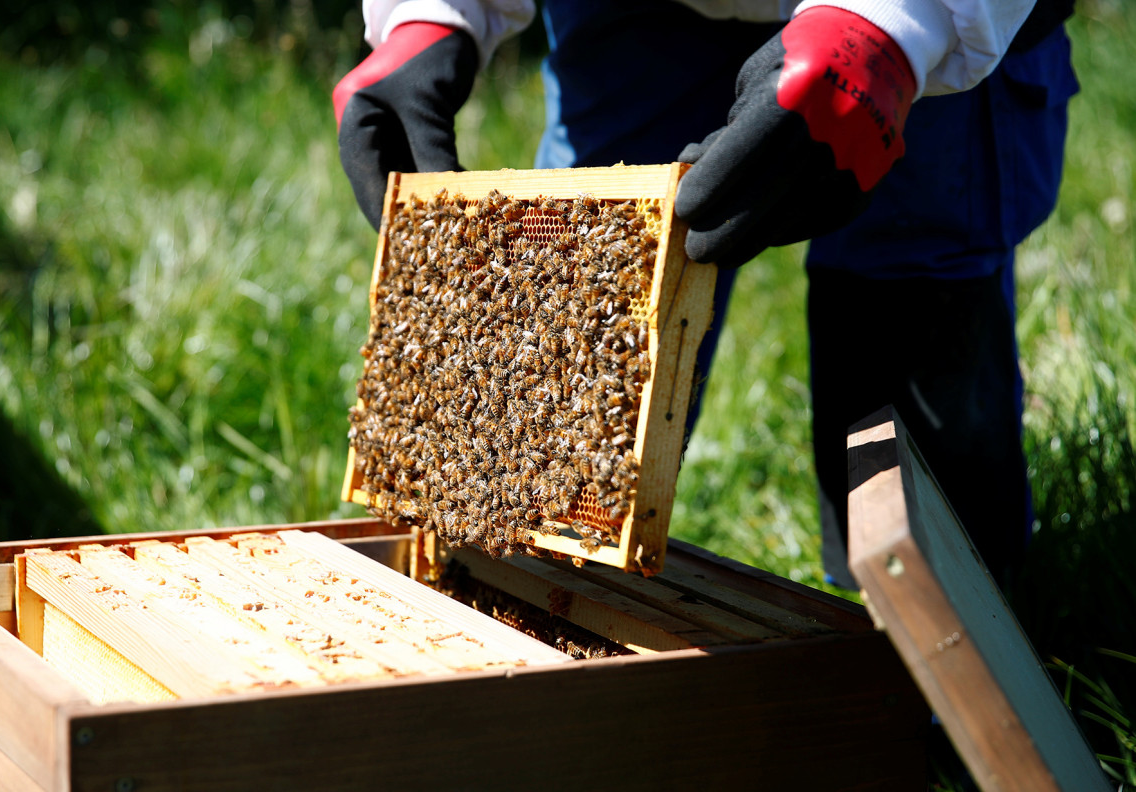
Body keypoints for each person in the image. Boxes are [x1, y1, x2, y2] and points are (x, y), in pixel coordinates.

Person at [331, 0, 1077, 590]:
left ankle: (932, 705)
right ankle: (523, 642)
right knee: (575, 333)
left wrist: (900, 24)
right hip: (640, 16)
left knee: (909, 300)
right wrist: (428, 12)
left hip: (915, 33)